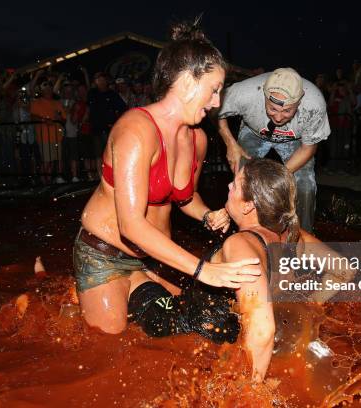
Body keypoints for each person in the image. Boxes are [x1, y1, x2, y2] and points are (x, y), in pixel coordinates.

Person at [73, 20, 260, 337]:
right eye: (214, 90)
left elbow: (185, 198)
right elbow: (130, 225)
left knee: (207, 325)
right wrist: (205, 270)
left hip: (153, 257)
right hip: (103, 254)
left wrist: (207, 214)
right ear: (187, 82)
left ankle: (136, 287)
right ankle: (82, 293)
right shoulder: (136, 129)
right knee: (108, 341)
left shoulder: (197, 139)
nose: (217, 103)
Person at [208, 158, 355, 381]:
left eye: (235, 185)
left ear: (249, 205)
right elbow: (344, 270)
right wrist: (310, 305)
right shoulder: (293, 238)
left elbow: (262, 328)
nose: (229, 186)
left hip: (219, 345)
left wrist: (251, 391)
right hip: (281, 348)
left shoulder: (240, 244)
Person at [217, 68, 331, 232]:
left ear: (299, 103)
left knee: (305, 185)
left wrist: (279, 178)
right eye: (272, 109)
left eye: (287, 111)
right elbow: (215, 109)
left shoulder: (314, 104)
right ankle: (243, 231)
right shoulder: (245, 92)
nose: (278, 118)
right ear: (263, 96)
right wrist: (230, 143)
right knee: (242, 180)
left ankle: (304, 234)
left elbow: (308, 148)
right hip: (254, 132)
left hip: (294, 140)